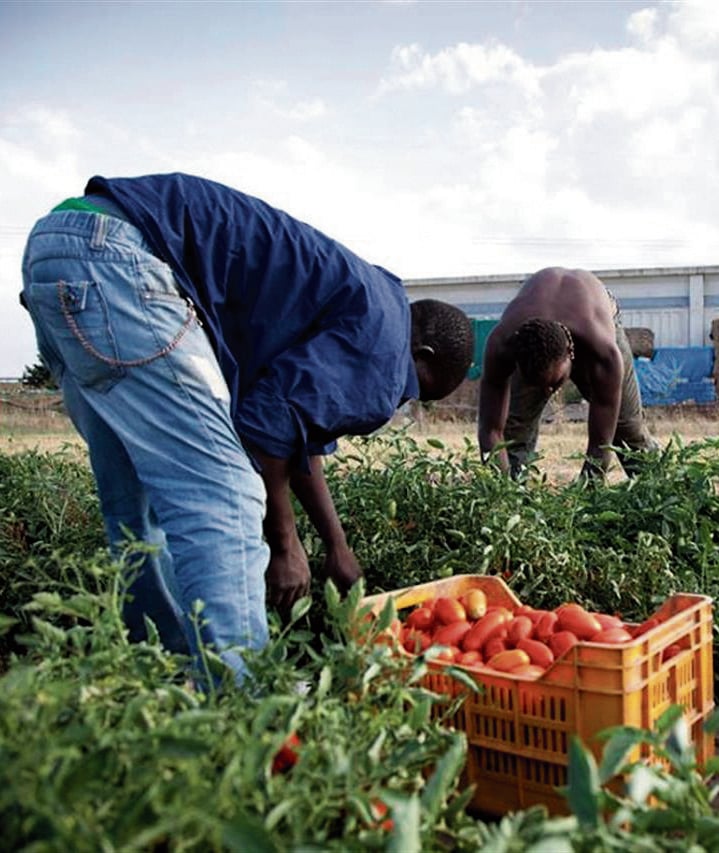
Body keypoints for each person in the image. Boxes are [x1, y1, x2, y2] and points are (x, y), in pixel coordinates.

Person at [20, 172, 474, 683]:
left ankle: (163, 680)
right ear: (422, 356)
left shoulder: (368, 305)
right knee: (227, 495)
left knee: (137, 503)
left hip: (61, 245)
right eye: (412, 389)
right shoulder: (386, 349)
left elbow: (297, 432)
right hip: (122, 261)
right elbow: (266, 429)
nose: (397, 399)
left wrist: (336, 546)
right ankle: (243, 707)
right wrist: (285, 546)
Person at [478, 266, 657, 479]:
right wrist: (497, 492)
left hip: (597, 309)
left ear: (572, 353)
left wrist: (589, 492)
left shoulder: (604, 352)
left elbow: (601, 442)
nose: (548, 392)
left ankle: (659, 489)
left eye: (554, 383)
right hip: (535, 314)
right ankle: (515, 492)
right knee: (514, 429)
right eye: (537, 383)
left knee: (626, 426)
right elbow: (490, 431)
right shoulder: (502, 344)